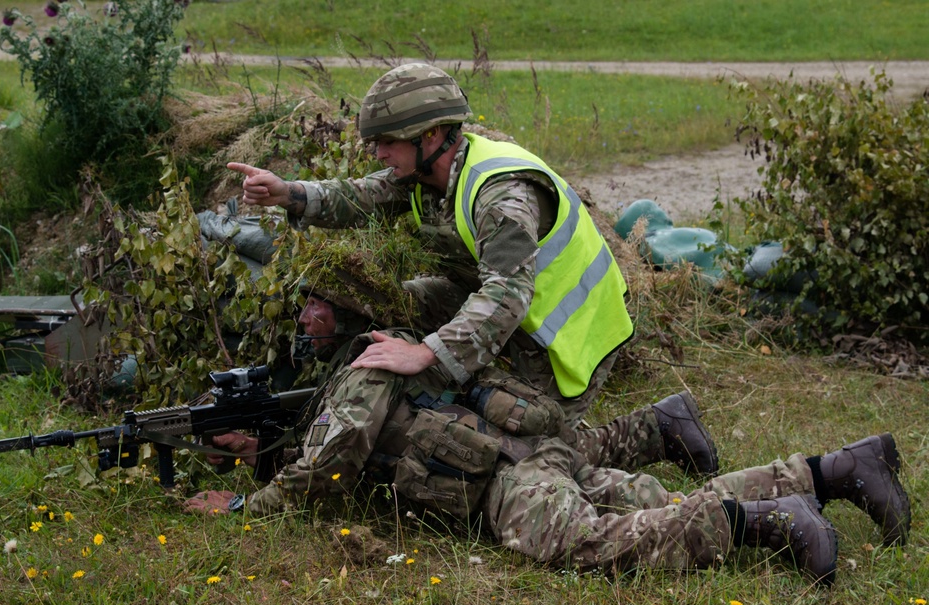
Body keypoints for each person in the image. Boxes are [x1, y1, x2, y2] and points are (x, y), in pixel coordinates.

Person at [185, 268, 911, 584]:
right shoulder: (381, 351)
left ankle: (765, 523)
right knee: (657, 507)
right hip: (536, 448)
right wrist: (258, 451)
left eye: (317, 303)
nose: (305, 317)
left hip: (512, 472)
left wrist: (251, 503)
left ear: (346, 311)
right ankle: (836, 470)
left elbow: (336, 459)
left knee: (583, 545)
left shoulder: (369, 361)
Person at [226, 62, 718, 478]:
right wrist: (287, 192)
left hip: (567, 335)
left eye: (388, 141)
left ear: (433, 135)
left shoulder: (501, 195)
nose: (378, 153)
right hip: (509, 314)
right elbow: (360, 196)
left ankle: (659, 427)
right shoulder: (425, 170)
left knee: (512, 459)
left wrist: (425, 353)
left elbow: (507, 297)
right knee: (404, 301)